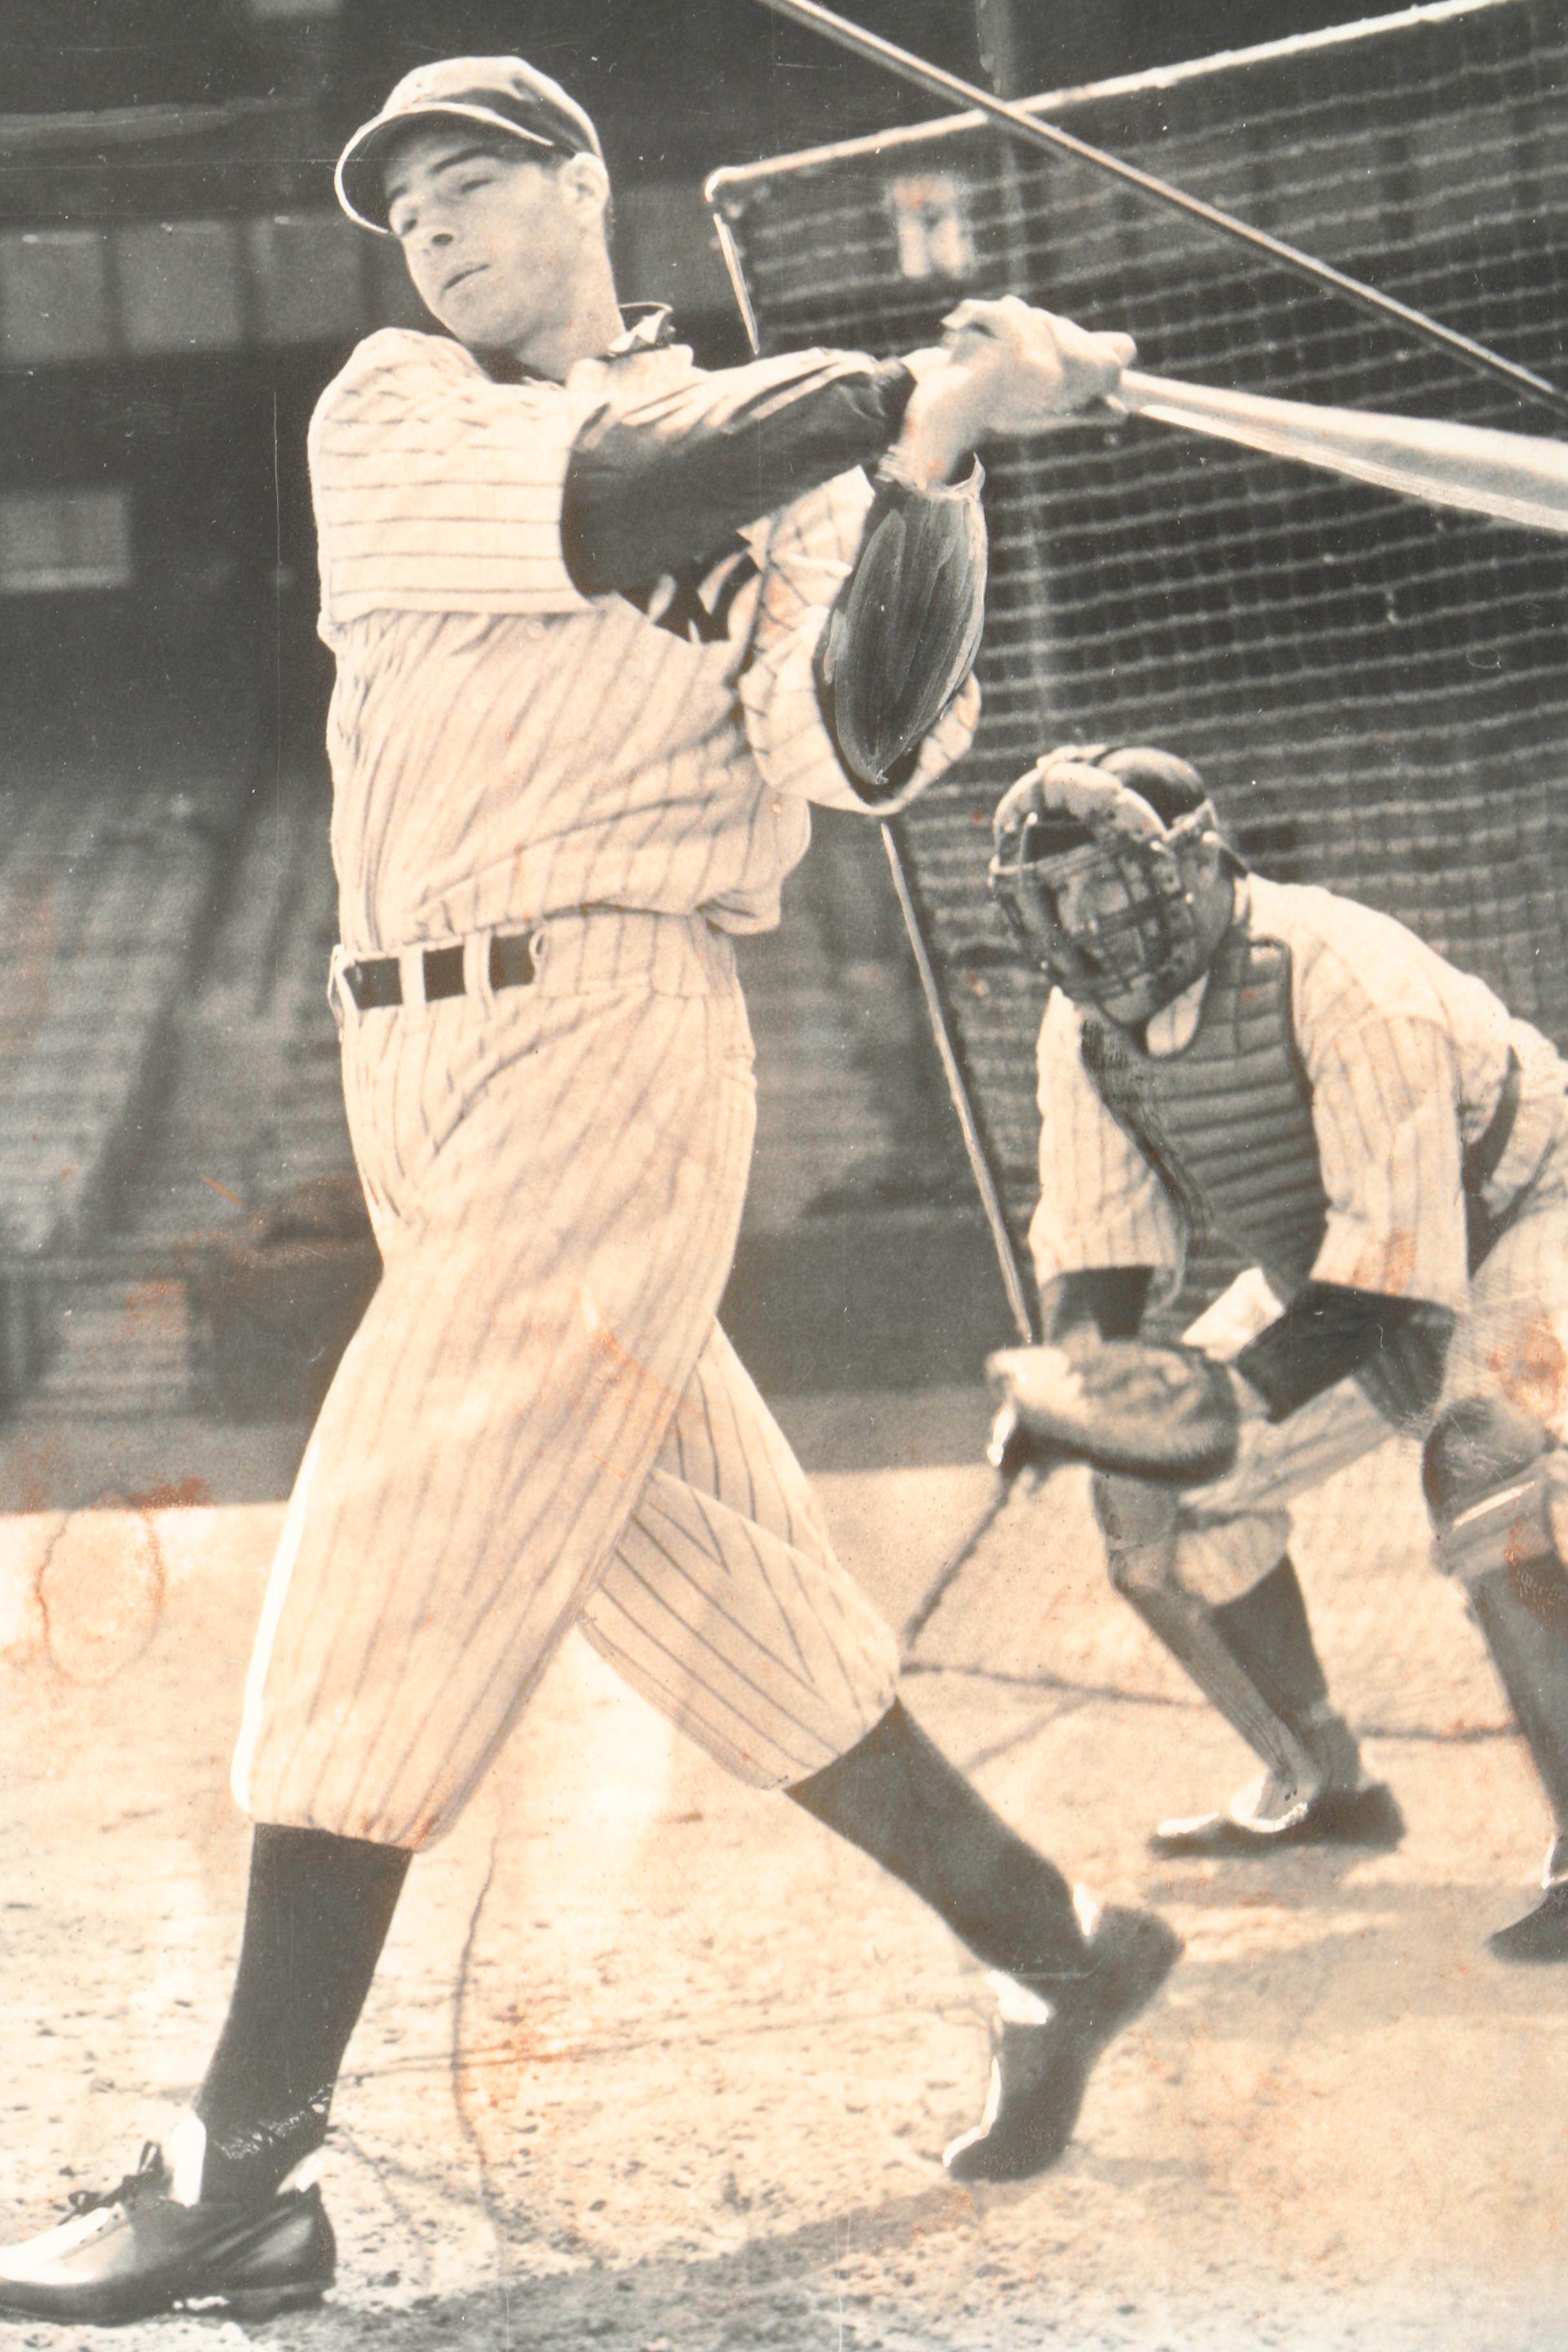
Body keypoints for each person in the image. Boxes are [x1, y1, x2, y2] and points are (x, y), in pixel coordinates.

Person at [0, 59, 1179, 2326]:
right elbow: (625, 490)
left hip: (614, 1025)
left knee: (401, 1515)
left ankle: (242, 2155)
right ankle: (1062, 1944)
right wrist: (903, 387)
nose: (431, 227)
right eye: (404, 201)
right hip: (408, 1057)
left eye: (475, 181)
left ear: (581, 179)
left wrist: (934, 463)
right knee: (719, 1586)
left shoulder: (817, 457)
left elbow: (852, 746)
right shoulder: (396, 408)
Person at [988, 741, 1568, 1964]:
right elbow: (1101, 1252)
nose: (1092, 926)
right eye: (1063, 900)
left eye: (1116, 884)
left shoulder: (1345, 974)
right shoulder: (1084, 1026)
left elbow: (1392, 1261)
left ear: (1201, 864)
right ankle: (1317, 1781)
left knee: (1484, 1468)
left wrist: (1224, 1400)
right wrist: (1077, 1391)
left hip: (1524, 1213)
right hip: (1340, 1265)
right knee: (1150, 1497)